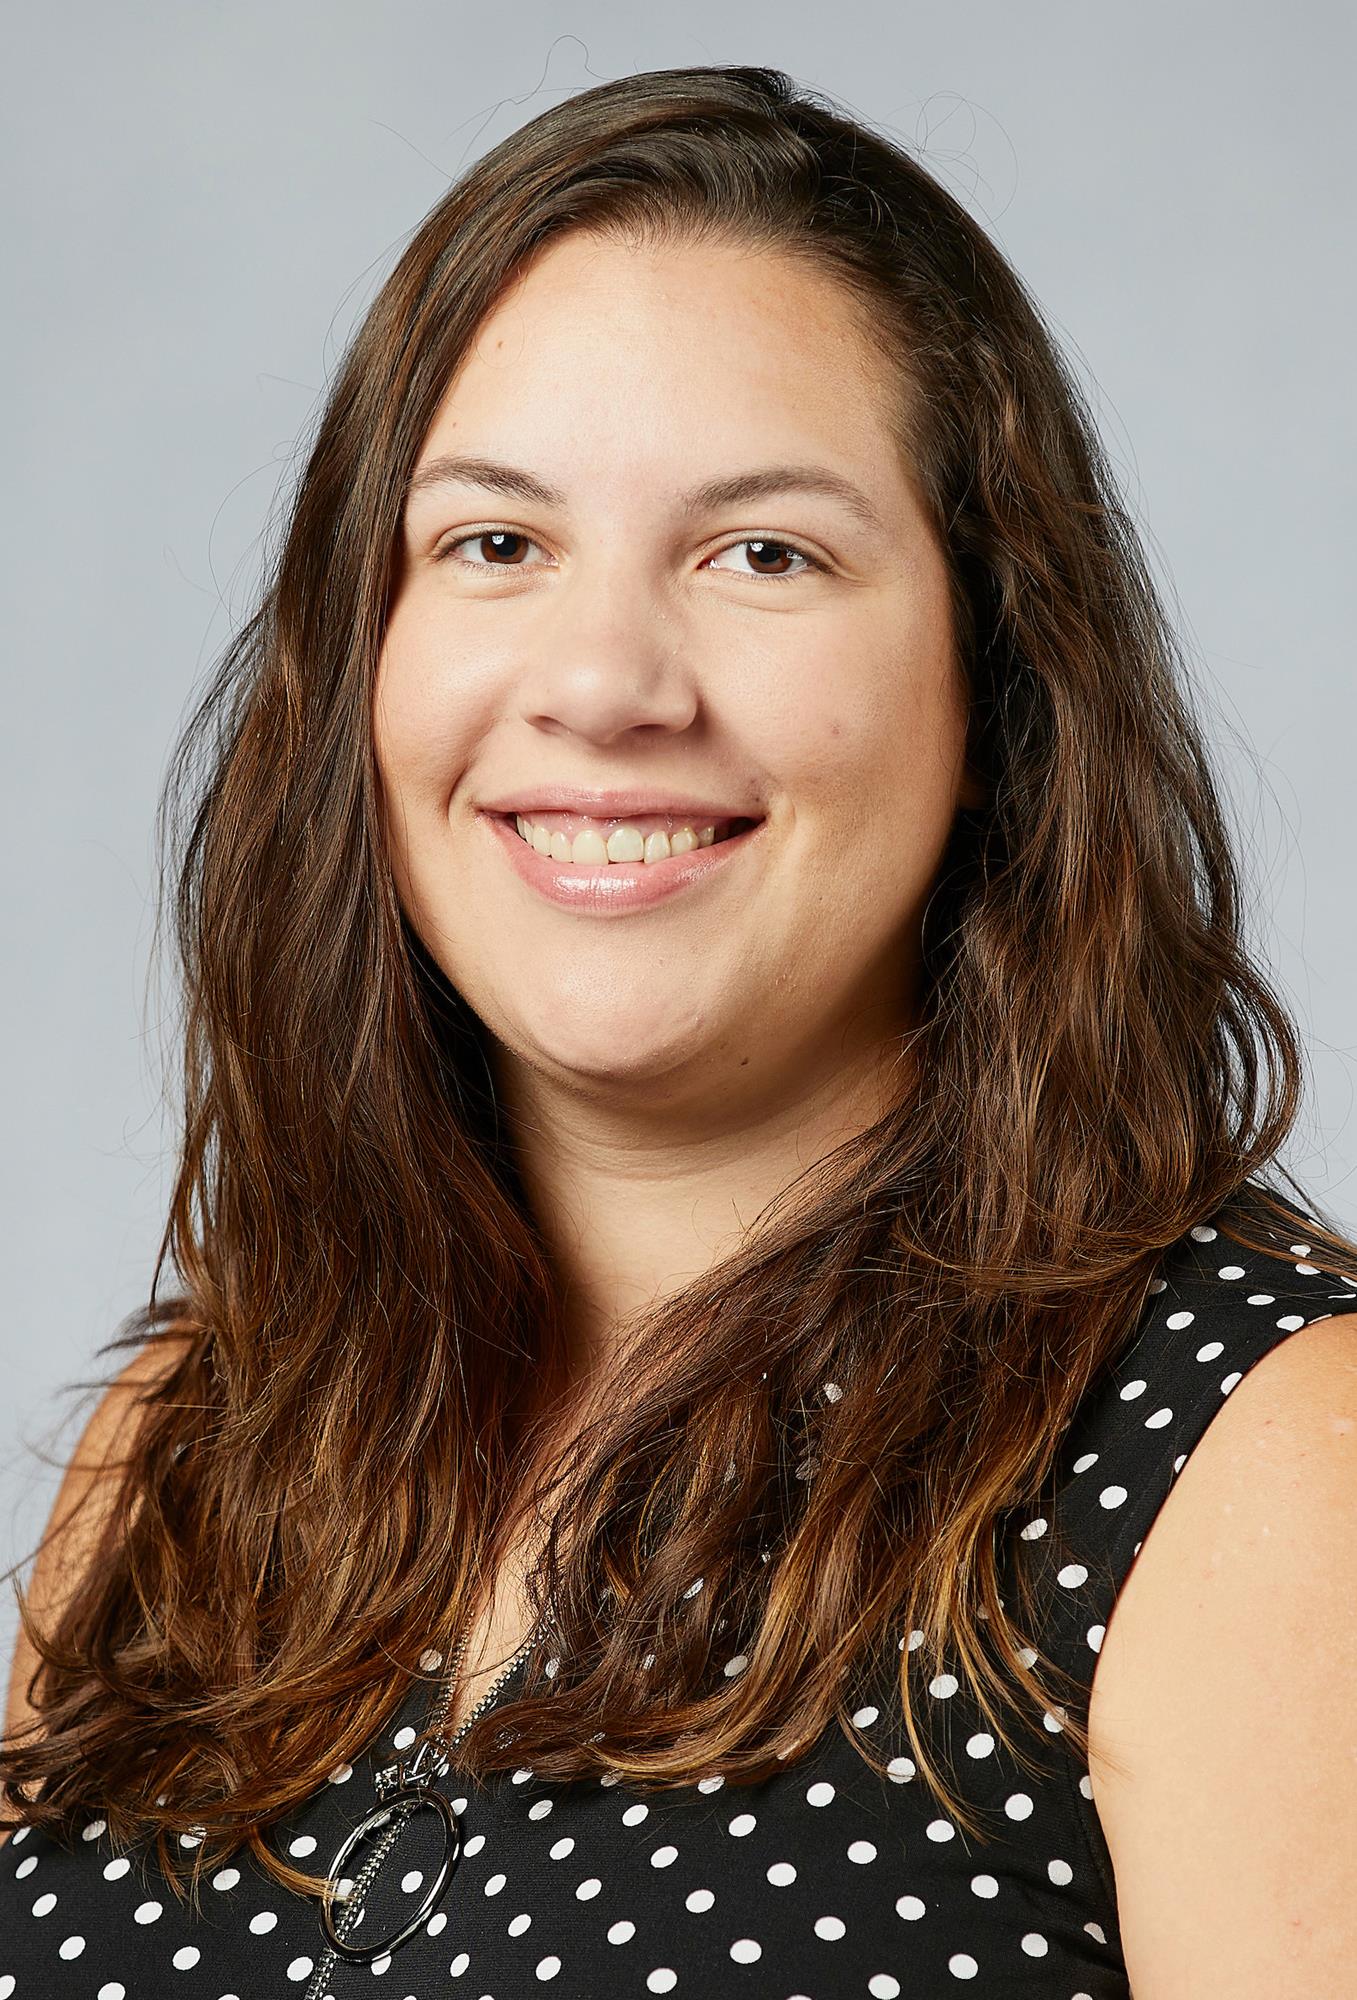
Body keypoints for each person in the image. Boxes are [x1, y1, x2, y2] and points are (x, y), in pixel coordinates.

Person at [2, 61, 1354, 2000]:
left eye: (762, 554)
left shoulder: (1263, 1463)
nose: (605, 682)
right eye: (494, 543)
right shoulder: (195, 1440)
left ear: (993, 691)